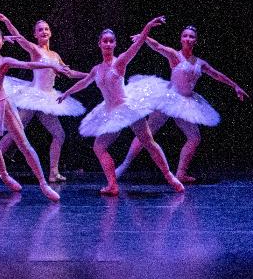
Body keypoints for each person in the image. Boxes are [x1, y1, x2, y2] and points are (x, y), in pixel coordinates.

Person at [57, 16, 185, 195]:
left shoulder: (120, 62)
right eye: (105, 41)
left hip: (127, 107)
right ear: (99, 44)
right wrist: (66, 93)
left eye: (111, 41)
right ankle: (112, 185)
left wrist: (147, 26)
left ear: (115, 44)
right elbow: (84, 82)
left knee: (147, 141)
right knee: (99, 147)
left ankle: (170, 176)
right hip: (111, 112)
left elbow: (136, 46)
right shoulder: (97, 69)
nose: (108, 44)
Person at [114, 26, 248, 182]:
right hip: (169, 99)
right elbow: (158, 47)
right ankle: (124, 166)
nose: (188, 39)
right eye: (185, 36)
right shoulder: (175, 56)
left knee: (194, 138)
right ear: (181, 39)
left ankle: (181, 173)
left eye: (191, 36)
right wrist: (145, 37)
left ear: (195, 41)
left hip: (185, 103)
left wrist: (235, 86)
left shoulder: (200, 63)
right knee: (147, 133)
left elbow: (217, 75)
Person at [0, 15, 88, 183]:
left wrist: (90, 76)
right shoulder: (35, 50)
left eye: (46, 29)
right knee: (16, 131)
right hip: (33, 96)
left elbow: (68, 72)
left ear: (50, 33)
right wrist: (8, 22)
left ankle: (53, 172)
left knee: (59, 134)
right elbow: (20, 39)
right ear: (35, 35)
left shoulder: (55, 55)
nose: (43, 32)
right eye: (40, 30)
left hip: (47, 99)